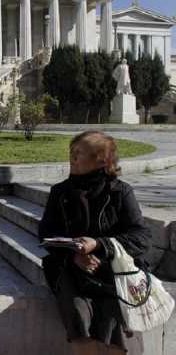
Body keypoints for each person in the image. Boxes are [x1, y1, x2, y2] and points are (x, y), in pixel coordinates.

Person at [39, 131, 151, 355]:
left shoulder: (120, 192)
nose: (72, 158)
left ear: (101, 160)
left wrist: (99, 245)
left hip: (113, 271)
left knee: (113, 316)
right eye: (71, 153)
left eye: (78, 153)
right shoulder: (60, 192)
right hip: (71, 268)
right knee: (77, 314)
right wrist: (74, 256)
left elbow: (141, 237)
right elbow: (45, 235)